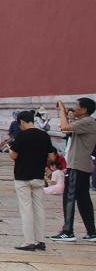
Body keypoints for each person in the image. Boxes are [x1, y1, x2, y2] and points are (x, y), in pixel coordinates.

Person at [50, 98, 96, 242]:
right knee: (83, 199)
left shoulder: (87, 121)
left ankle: (68, 231)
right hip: (81, 164)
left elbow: (65, 126)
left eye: (76, 106)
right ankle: (92, 231)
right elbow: (65, 128)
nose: (74, 109)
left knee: (69, 197)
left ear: (84, 110)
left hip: (78, 165)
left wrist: (62, 110)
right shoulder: (83, 123)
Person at [10, 111, 56, 251]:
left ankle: (29, 241)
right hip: (38, 175)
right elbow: (52, 157)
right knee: (39, 208)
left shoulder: (22, 136)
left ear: (22, 121)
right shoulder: (44, 135)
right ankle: (40, 240)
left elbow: (13, 155)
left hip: (23, 176)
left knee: (26, 209)